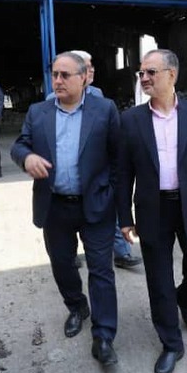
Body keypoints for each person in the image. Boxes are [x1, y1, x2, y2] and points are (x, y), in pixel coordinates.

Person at [117, 48, 187, 373]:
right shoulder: (131, 120)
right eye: (141, 73)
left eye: (151, 72)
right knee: (158, 278)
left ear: (172, 74)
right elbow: (123, 174)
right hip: (153, 208)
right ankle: (171, 344)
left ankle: (185, 299)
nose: (144, 78)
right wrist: (124, 217)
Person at [11, 51, 123, 369]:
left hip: (96, 204)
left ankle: (104, 336)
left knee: (101, 270)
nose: (57, 81)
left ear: (84, 77)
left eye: (65, 75)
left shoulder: (104, 110)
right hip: (55, 205)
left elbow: (118, 156)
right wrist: (26, 158)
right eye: (54, 75)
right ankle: (77, 306)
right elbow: (19, 145)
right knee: (62, 264)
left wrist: (112, 195)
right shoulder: (39, 112)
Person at [51, 50, 142, 270]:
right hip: (68, 185)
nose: (91, 70)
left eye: (91, 66)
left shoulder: (100, 97)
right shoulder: (52, 102)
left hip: (98, 178)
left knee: (106, 217)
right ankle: (71, 254)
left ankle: (121, 252)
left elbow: (113, 140)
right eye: (86, 66)